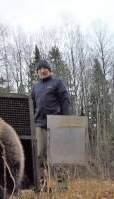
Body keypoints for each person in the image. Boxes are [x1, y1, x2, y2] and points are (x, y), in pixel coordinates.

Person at [31, 59, 70, 190]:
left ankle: (62, 186)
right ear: (37, 72)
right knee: (39, 156)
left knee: (58, 157)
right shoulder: (35, 87)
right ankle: (42, 186)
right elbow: (32, 106)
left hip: (56, 124)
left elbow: (65, 100)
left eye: (44, 68)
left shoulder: (57, 83)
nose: (42, 70)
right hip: (39, 125)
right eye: (39, 69)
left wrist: (65, 120)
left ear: (50, 70)